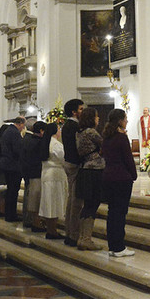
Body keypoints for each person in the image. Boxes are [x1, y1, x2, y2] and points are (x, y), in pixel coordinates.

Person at [102, 108, 138, 257]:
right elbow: (128, 159)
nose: (127, 121)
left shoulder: (107, 137)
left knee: (112, 213)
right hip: (121, 178)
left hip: (108, 177)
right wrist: (133, 175)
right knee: (120, 213)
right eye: (125, 118)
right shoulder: (121, 138)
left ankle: (113, 246)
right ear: (120, 121)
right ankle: (119, 247)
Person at [75, 107, 105, 251]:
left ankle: (83, 237)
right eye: (96, 116)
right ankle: (86, 239)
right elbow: (104, 145)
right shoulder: (91, 132)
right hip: (94, 170)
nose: (98, 119)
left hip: (85, 169)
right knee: (92, 204)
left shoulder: (80, 132)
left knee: (88, 204)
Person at [62, 98, 85, 247]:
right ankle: (73, 234)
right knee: (76, 201)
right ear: (74, 112)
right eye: (81, 109)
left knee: (72, 199)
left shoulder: (68, 125)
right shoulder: (73, 126)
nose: (83, 111)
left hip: (70, 162)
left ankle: (70, 232)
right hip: (75, 164)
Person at [39, 123, 66, 240]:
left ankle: (51, 229)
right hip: (55, 175)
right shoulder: (55, 144)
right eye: (59, 129)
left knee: (49, 202)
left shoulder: (45, 142)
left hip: (46, 174)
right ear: (55, 131)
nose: (60, 131)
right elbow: (64, 158)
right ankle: (52, 230)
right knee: (54, 203)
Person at [21, 121, 48, 232]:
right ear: (41, 131)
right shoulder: (38, 142)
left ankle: (29, 220)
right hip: (36, 172)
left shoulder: (28, 140)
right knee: (35, 199)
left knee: (30, 196)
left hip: (28, 171)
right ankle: (35, 222)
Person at [0, 116, 26, 222]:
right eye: (23, 126)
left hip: (8, 164)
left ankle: (9, 214)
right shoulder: (14, 132)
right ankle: (11, 215)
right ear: (19, 123)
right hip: (13, 165)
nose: (23, 128)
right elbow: (17, 149)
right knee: (13, 191)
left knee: (11, 190)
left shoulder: (8, 130)